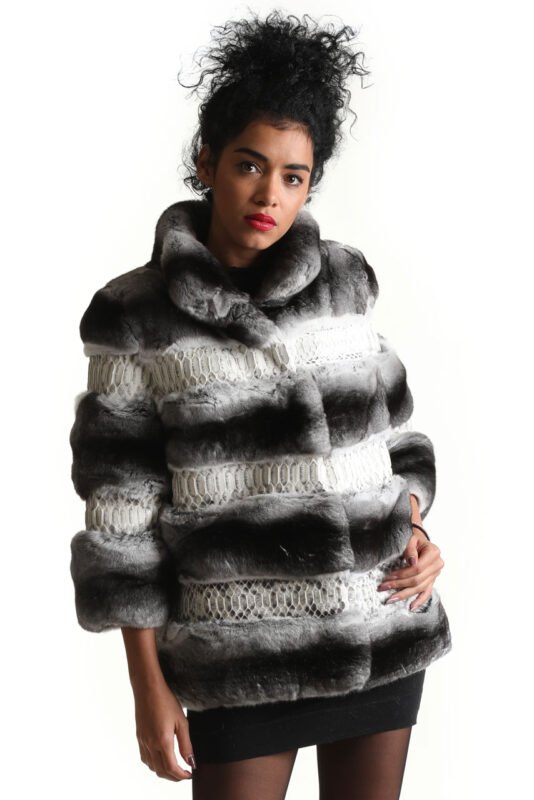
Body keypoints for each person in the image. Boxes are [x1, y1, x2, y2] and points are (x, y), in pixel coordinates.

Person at [69, 10, 452, 799]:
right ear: (207, 160)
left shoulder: (345, 281)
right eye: (250, 165)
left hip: (378, 626)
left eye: (293, 176)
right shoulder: (135, 314)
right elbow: (121, 520)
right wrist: (148, 687)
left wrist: (413, 525)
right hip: (238, 653)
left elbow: (395, 436)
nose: (269, 194)